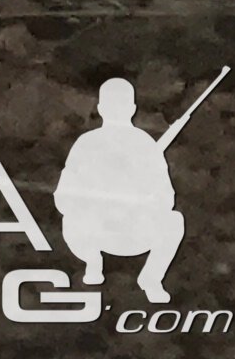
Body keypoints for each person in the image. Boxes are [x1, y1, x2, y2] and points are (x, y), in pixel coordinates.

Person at [56, 78, 186, 303]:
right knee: (71, 220)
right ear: (102, 109)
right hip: (95, 232)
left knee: (174, 221)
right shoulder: (87, 144)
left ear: (131, 109)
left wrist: (140, 201)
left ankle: (151, 279)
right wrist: (96, 203)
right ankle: (93, 261)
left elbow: (166, 198)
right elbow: (64, 197)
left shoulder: (145, 145)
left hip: (135, 231)